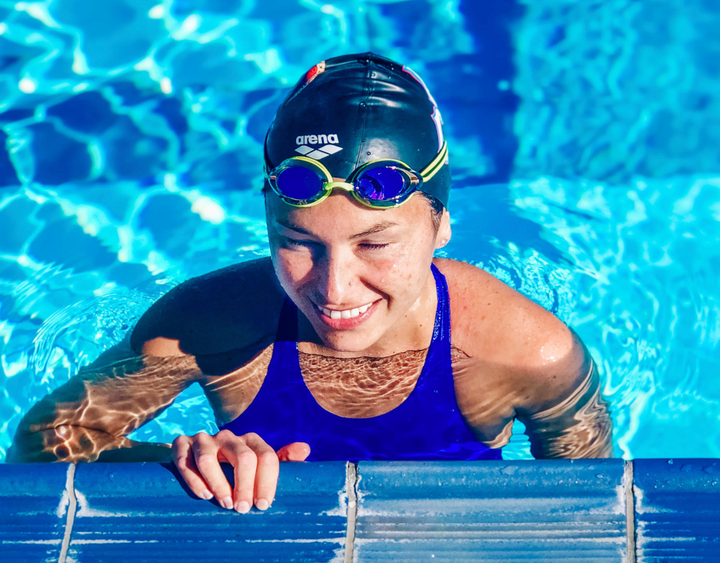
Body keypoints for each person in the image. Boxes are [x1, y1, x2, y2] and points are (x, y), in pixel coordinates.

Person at [9, 53, 612, 514]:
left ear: (441, 225)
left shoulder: (526, 352)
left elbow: (591, 506)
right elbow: (42, 448)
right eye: (297, 244)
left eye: (374, 243)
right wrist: (181, 463)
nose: (335, 289)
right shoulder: (207, 326)